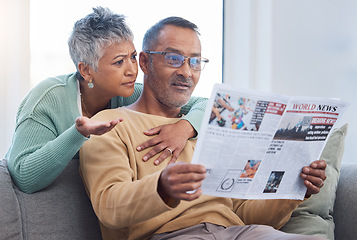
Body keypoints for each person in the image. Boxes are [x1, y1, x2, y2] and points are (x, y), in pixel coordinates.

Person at [80, 16, 327, 240]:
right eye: (173, 58)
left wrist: (295, 189)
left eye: (195, 62)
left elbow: (246, 214)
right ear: (145, 62)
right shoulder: (108, 125)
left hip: (238, 233)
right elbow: (108, 207)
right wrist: (161, 187)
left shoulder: (207, 127)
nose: (186, 72)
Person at [5, 7, 206, 194]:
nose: (132, 70)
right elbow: (23, 176)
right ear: (86, 70)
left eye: (133, 57)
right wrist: (78, 134)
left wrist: (185, 127)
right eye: (119, 62)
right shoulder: (47, 99)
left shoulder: (131, 92)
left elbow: (206, 104)